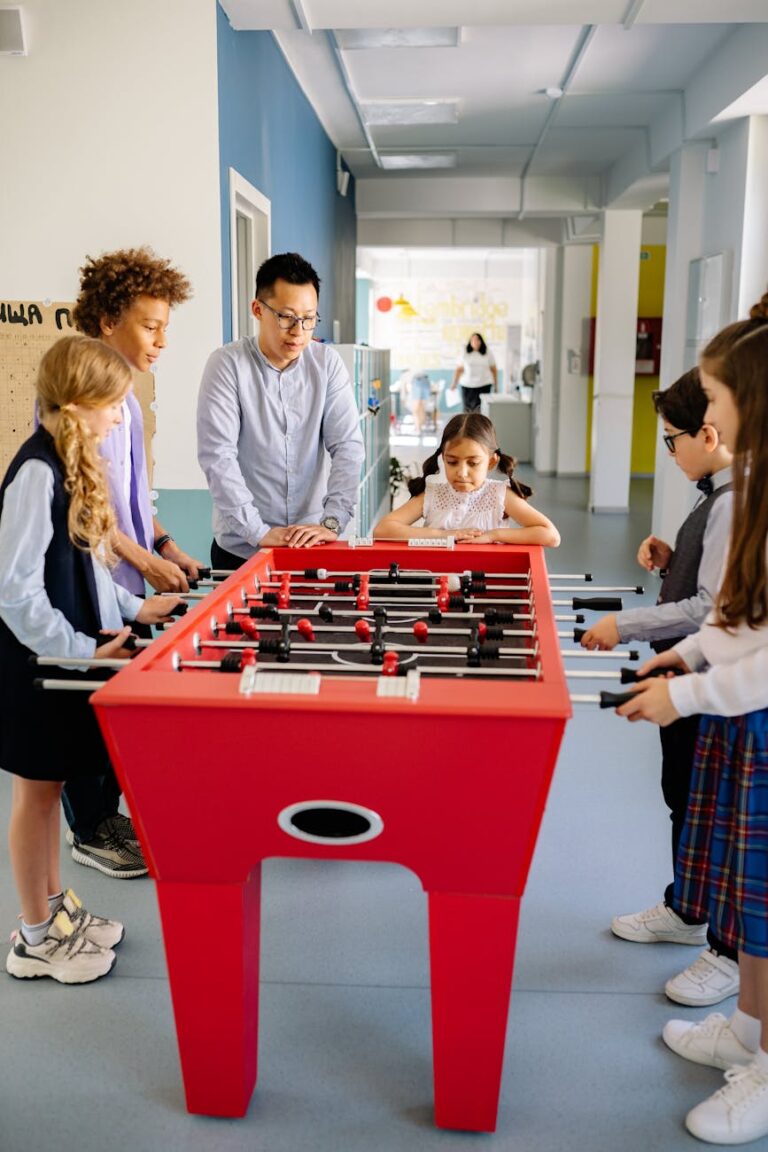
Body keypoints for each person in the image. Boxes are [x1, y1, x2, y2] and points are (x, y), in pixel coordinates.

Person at [617, 314, 768, 1145]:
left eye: (713, 397)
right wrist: (687, 657)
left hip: (756, 712)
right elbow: (740, 622)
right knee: (749, 904)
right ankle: (748, 1031)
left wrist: (688, 695)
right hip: (741, 710)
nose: (706, 417)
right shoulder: (750, 487)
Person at [0, 336, 181, 983]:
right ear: (79, 404)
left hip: (68, 663)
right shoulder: (36, 472)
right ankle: (34, 935)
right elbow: (15, 590)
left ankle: (53, 911)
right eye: (113, 405)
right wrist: (80, 650)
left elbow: (86, 568)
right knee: (35, 797)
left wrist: (132, 615)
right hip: (39, 667)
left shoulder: (72, 465)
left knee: (49, 794)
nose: (118, 417)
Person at [581, 369, 737, 1008]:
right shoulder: (714, 494)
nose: (668, 453)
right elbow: (713, 583)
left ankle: (726, 948)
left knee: (713, 809)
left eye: (672, 440)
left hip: (711, 685)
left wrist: (626, 624)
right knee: (685, 797)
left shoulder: (736, 500)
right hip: (686, 671)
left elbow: (711, 611)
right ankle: (688, 908)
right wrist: (674, 560)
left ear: (710, 429)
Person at [61, 246, 203, 878]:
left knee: (122, 707)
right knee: (88, 715)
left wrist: (166, 545)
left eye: (165, 327)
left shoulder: (131, 398)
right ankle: (88, 829)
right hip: (93, 584)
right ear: (110, 319)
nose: (161, 340)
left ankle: (111, 814)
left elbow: (135, 499)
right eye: (151, 325)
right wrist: (142, 560)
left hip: (131, 582)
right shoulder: (79, 398)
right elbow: (84, 501)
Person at [197, 252, 365, 569]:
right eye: (286, 317)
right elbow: (218, 456)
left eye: (309, 318)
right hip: (241, 551)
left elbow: (348, 446)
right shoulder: (227, 365)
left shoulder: (327, 364)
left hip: (312, 545)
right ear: (257, 309)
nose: (298, 330)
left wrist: (332, 522)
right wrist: (257, 531)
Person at [373, 412, 560, 546]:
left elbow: (550, 535)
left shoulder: (500, 495)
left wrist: (493, 535)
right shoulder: (432, 494)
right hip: (438, 583)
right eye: (452, 462)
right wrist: (443, 535)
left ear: (491, 462)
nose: (461, 473)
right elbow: (382, 530)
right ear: (443, 458)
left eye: (473, 463)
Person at [451, 333, 497, 413]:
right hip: (467, 385)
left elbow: (493, 369)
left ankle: (479, 426)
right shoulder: (464, 352)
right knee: (467, 410)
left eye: (477, 339)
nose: (475, 342)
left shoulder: (487, 352)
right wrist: (454, 384)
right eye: (473, 340)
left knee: (482, 410)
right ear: (470, 342)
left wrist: (496, 385)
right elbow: (459, 369)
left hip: (484, 385)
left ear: (481, 341)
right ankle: (467, 425)